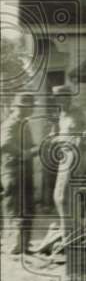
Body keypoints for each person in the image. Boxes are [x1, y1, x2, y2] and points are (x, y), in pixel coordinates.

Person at [49, 84, 86, 246]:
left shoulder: (78, 111)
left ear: (67, 97)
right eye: (56, 98)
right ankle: (72, 234)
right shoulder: (61, 114)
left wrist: (82, 138)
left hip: (75, 155)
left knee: (64, 196)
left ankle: (71, 237)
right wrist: (54, 136)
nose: (58, 101)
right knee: (60, 197)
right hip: (64, 155)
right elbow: (61, 132)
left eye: (60, 97)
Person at [1, 93, 37, 254]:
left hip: (25, 172)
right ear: (19, 107)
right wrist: (23, 153)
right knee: (16, 208)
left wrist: (37, 148)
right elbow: (5, 143)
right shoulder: (12, 123)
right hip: (14, 172)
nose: (32, 109)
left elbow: (30, 146)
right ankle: (14, 245)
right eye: (29, 106)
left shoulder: (24, 123)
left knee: (27, 208)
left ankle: (23, 245)